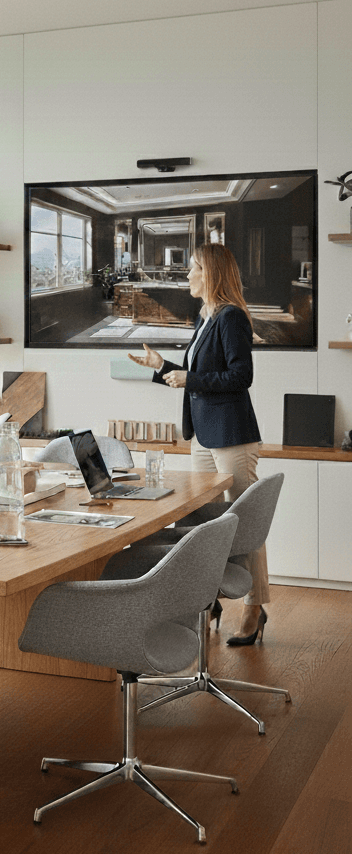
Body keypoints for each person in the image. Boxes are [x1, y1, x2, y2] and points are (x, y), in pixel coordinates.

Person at [128, 242, 269, 645]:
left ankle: (254, 606)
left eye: (193, 269)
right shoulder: (205, 317)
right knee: (200, 524)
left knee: (245, 525)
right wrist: (162, 368)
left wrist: (189, 379)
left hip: (231, 435)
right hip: (203, 435)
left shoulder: (231, 317)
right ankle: (207, 601)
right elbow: (198, 374)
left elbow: (240, 376)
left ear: (211, 275)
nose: (187, 275)